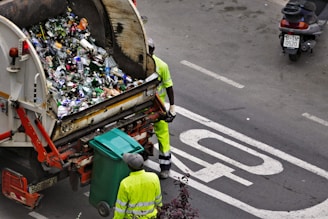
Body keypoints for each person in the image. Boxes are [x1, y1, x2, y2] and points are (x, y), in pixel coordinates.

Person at [148, 38, 176, 179]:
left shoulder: (161, 66)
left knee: (163, 136)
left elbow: (168, 86)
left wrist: (172, 106)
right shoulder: (138, 63)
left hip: (157, 106)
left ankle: (165, 167)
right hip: (142, 105)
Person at [113, 153, 162, 219]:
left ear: (129, 167)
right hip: (151, 216)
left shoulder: (125, 183)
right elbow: (158, 198)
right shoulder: (154, 177)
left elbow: (121, 207)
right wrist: (159, 208)